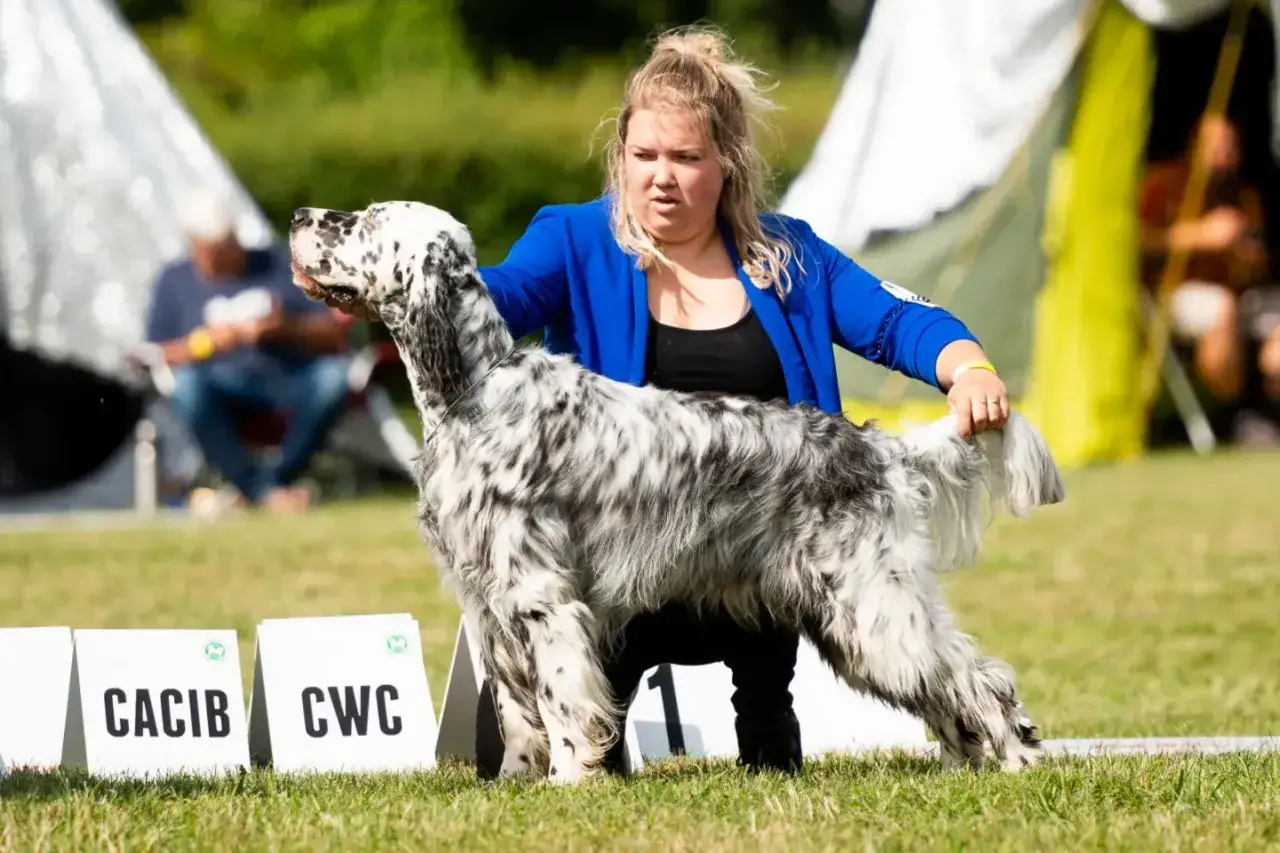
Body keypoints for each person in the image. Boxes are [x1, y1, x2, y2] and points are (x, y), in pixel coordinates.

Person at [321, 27, 1009, 774]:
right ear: (621, 156)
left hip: (769, 537)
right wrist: (395, 286)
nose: (661, 177)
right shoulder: (575, 238)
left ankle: (992, 732)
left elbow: (893, 318)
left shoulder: (792, 255)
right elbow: (500, 296)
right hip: (620, 579)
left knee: (882, 654)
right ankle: (574, 748)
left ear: (728, 165)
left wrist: (965, 366)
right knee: (587, 695)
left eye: (685, 158)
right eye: (644, 156)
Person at [144, 186, 354, 513]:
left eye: (221, 249)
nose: (213, 259)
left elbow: (333, 337)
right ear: (192, 244)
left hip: (287, 378)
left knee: (335, 377)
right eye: (206, 250)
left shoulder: (276, 264)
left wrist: (283, 327)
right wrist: (205, 343)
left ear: (235, 239)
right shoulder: (174, 280)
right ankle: (267, 491)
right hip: (220, 386)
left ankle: (263, 487)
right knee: (187, 388)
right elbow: (154, 353)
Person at [1139, 112, 1280, 444]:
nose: (1224, 154)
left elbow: (1253, 271)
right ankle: (1226, 418)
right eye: (1216, 146)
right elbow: (1133, 241)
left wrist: (1245, 255)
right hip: (1167, 294)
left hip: (1235, 293)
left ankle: (1266, 413)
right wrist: (1200, 236)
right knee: (1222, 308)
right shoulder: (1162, 183)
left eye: (1231, 146)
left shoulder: (1243, 196)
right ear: (1194, 147)